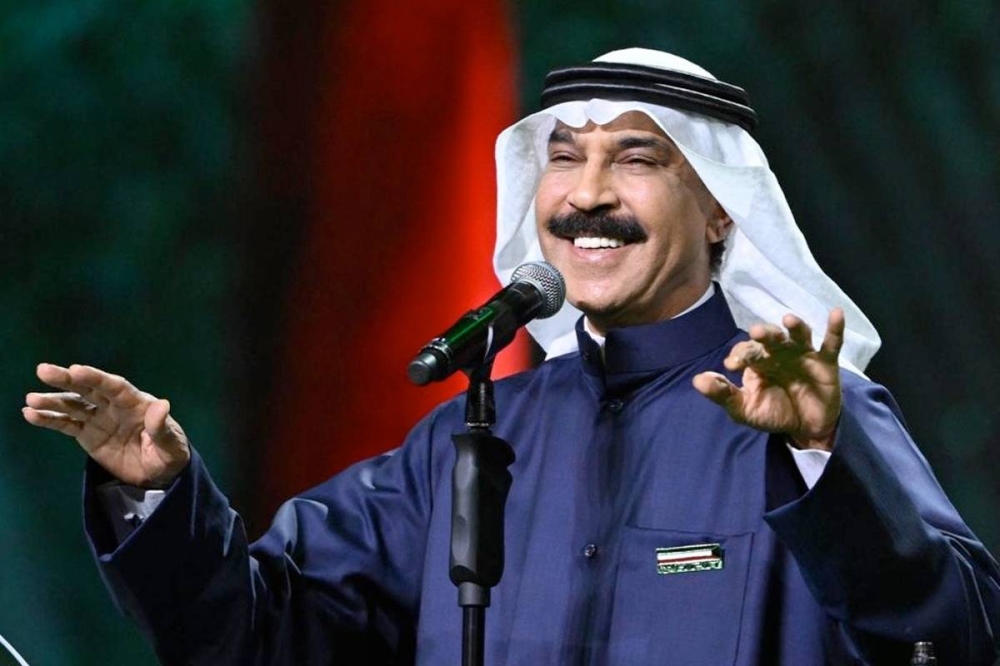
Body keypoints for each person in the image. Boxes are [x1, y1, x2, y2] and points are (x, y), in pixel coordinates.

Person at [23, 48, 1000, 665]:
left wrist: (827, 460)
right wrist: (159, 496)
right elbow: (259, 629)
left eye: (636, 158)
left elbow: (954, 639)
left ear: (719, 212)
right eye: (564, 157)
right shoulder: (469, 436)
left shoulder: (817, 419)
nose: (587, 193)